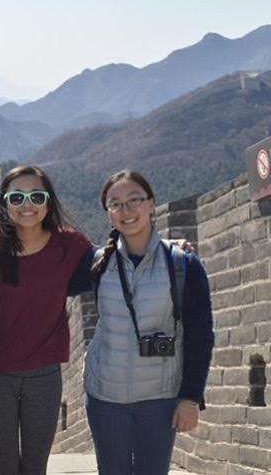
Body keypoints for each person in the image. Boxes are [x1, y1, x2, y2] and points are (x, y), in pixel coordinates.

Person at [83, 170, 214, 475]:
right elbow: (45, 267)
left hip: (160, 398)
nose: (126, 211)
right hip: (105, 397)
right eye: (115, 204)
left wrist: (191, 398)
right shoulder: (97, 264)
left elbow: (200, 335)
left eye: (134, 200)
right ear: (107, 213)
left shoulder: (182, 264)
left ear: (152, 204)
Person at [0, 165, 94, 475]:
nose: (26, 204)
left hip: (44, 376)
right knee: (4, 468)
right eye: (16, 197)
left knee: (35, 468)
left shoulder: (70, 246)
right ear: (4, 204)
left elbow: (114, 258)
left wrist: (167, 249)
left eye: (36, 196)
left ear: (48, 202)